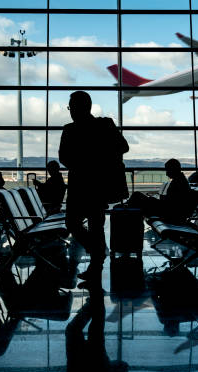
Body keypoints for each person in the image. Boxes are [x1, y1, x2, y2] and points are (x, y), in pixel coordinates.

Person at [59, 91, 129, 287]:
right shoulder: (105, 125)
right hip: (100, 186)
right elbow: (123, 147)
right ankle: (97, 259)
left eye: (71, 107)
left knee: (73, 223)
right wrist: (101, 156)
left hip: (80, 185)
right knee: (96, 226)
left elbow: (64, 157)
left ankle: (96, 259)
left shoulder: (70, 130)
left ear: (79, 107)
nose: (71, 111)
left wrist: (82, 161)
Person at [60, 290, 129, 372]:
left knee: (95, 330)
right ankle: (94, 302)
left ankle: (96, 300)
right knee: (76, 331)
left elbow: (123, 367)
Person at [128, 158, 192, 224]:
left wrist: (155, 200)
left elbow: (171, 204)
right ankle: (128, 211)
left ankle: (127, 214)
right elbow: (174, 201)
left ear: (173, 169)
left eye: (167, 170)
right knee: (137, 197)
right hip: (169, 211)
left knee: (137, 196)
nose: (166, 174)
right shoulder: (181, 180)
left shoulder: (178, 182)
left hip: (168, 213)